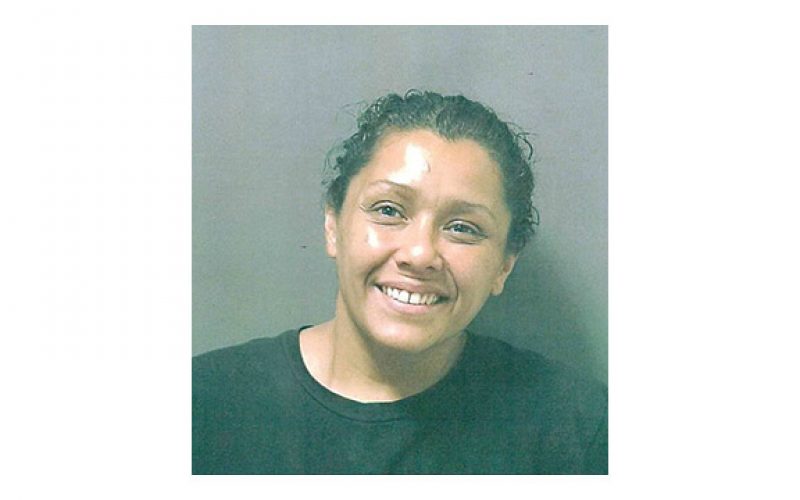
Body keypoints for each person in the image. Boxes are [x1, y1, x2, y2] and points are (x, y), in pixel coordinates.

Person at [192, 90, 608, 474]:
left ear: (504, 265)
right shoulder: (203, 403)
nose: (420, 253)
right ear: (333, 225)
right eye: (388, 210)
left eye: (463, 227)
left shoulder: (577, 427)